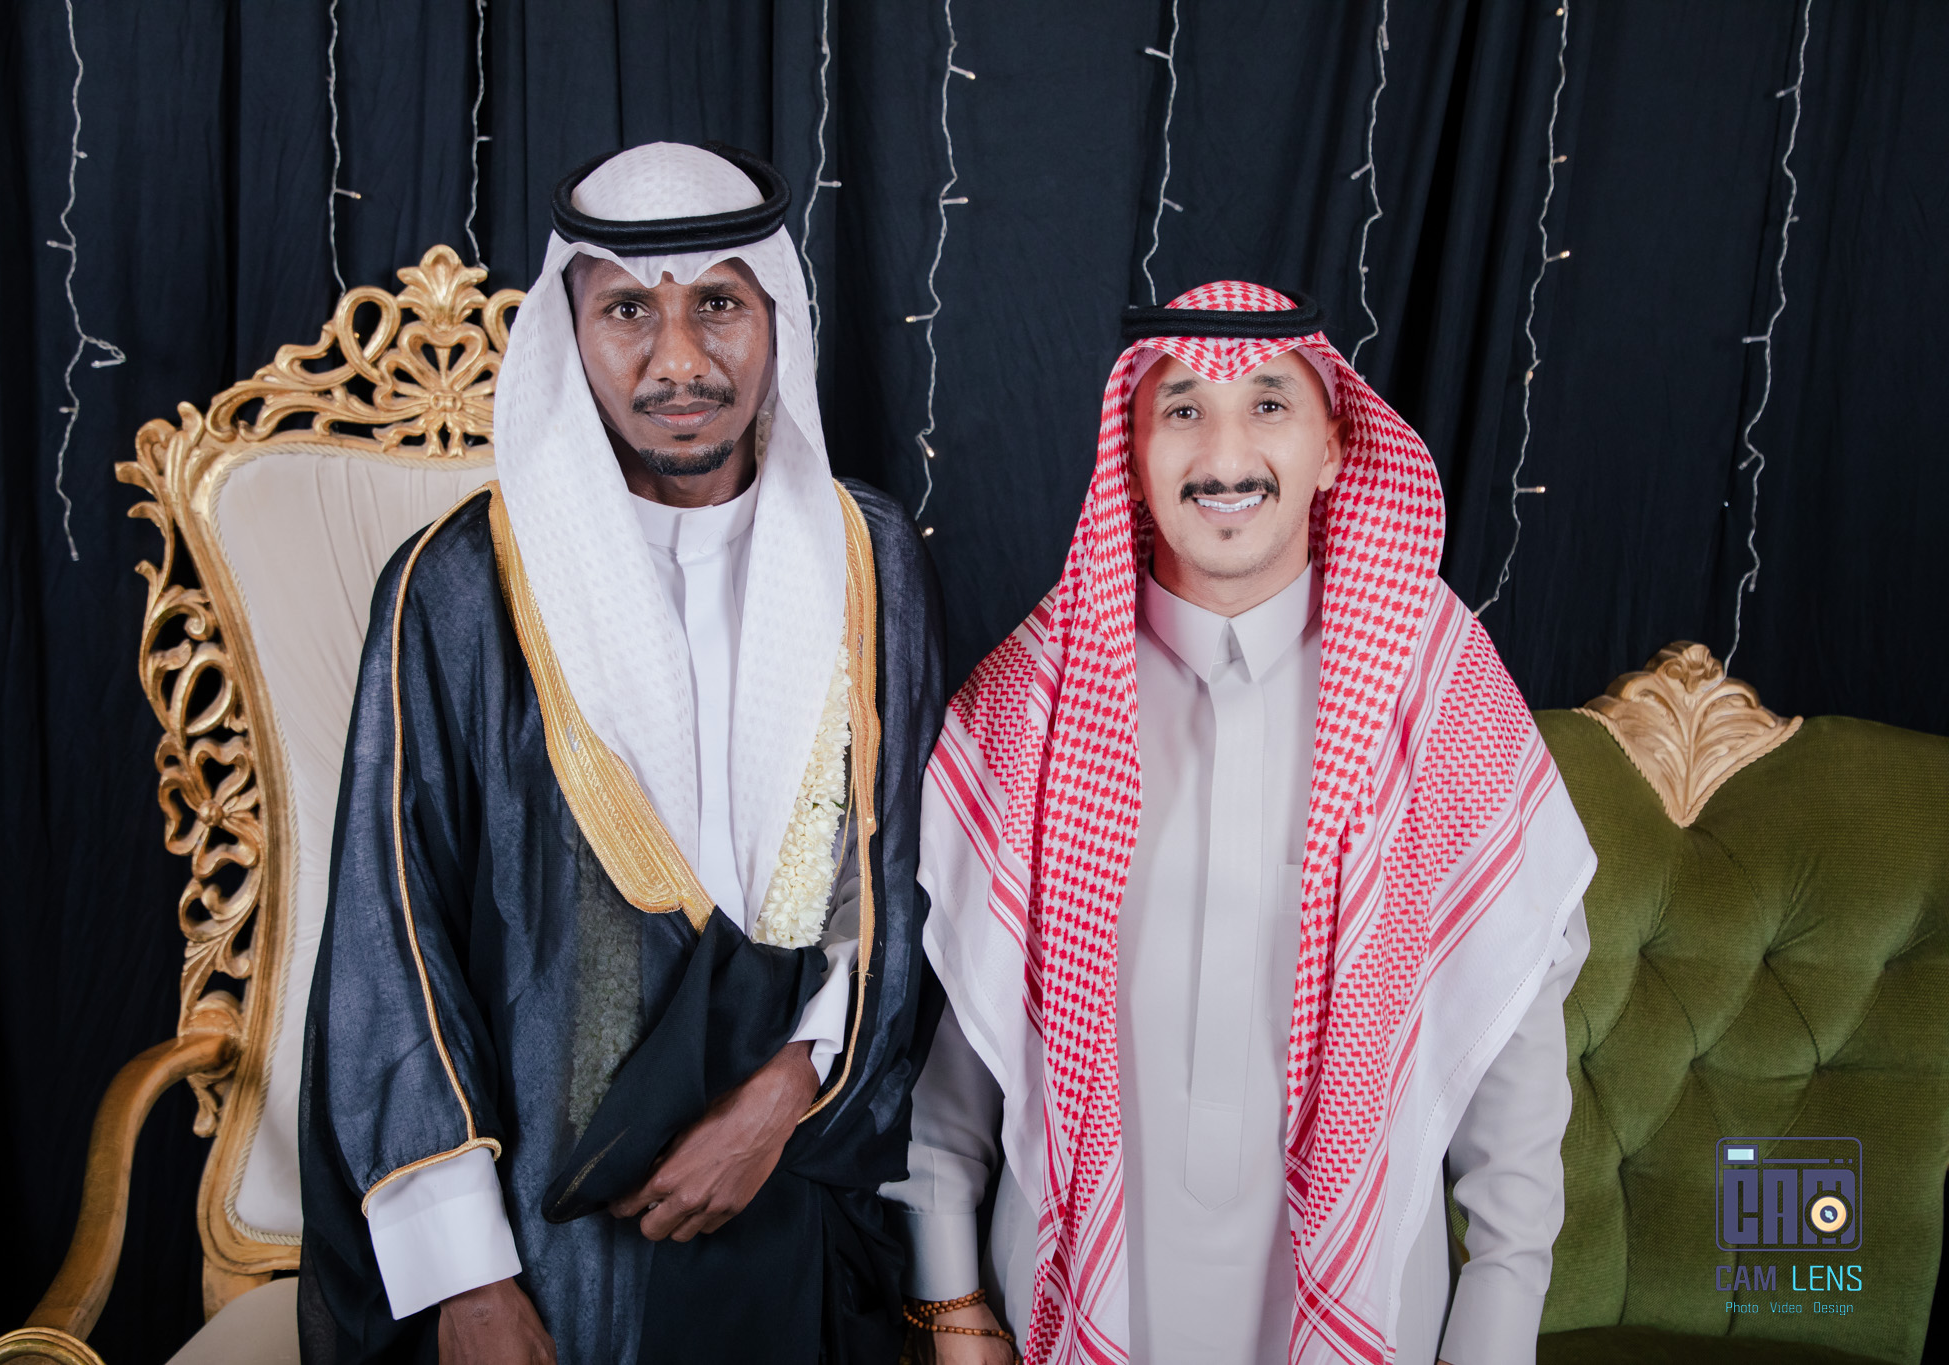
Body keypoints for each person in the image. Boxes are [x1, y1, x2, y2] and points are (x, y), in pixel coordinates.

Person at [297, 141, 944, 1364]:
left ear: (775, 316)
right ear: (570, 331)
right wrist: (466, 1280)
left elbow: (897, 880)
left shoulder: (868, 561)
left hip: (792, 1180)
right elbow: (394, 934)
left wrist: (789, 1088)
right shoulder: (458, 586)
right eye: (629, 311)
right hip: (547, 1236)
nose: (679, 362)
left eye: (718, 305)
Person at [883, 283, 1596, 1365]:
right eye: (1182, 409)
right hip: (1065, 1311)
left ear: (1333, 449)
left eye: (1268, 404)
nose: (1224, 455)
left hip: (1365, 1318)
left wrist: (1491, 1339)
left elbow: (1515, 1057)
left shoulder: (1437, 692)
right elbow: (961, 1044)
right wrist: (950, 1300)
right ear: (1129, 455)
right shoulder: (1031, 702)